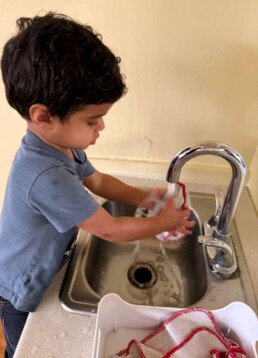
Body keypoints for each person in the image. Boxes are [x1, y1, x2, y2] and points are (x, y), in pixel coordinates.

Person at [0, 12, 195, 357]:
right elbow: (108, 230)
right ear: (42, 116)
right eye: (92, 119)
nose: (101, 127)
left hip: (45, 261)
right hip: (19, 288)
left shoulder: (62, 146)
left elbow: (98, 180)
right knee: (23, 348)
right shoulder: (45, 175)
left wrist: (144, 197)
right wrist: (161, 223)